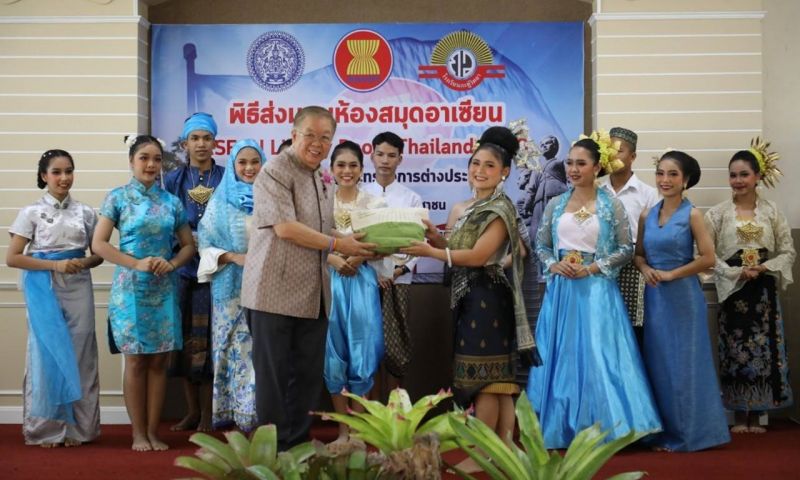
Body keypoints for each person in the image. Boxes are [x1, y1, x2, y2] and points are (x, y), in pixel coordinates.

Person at [402, 126, 539, 473]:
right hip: (476, 298)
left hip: (488, 299)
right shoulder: (478, 206)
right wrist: (437, 238)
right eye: (475, 163)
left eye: (489, 166)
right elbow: (462, 251)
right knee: (499, 384)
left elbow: (478, 256)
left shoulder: (498, 209)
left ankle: (481, 455)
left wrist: (431, 250)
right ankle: (504, 452)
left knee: (484, 382)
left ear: (505, 171)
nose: (479, 170)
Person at [241, 106, 376, 450]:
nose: (317, 143)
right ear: (293, 133)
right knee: (275, 380)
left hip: (314, 295)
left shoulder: (320, 176)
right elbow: (286, 229)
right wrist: (337, 243)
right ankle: (272, 454)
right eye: (310, 135)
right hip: (274, 293)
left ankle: (298, 447)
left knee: (305, 378)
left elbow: (318, 229)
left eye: (325, 137)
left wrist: (358, 243)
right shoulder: (274, 171)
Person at [527, 133, 662, 449]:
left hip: (597, 289)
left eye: (581, 163)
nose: (573, 169)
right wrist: (553, 264)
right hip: (562, 290)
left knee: (600, 357)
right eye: (570, 163)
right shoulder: (557, 204)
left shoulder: (610, 204)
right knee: (561, 358)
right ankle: (561, 426)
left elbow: (625, 249)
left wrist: (592, 268)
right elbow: (542, 245)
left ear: (597, 167)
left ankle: (608, 428)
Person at [92, 135, 195, 451]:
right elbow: (99, 244)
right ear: (132, 162)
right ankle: (138, 433)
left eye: (156, 159)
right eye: (144, 158)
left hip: (164, 288)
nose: (151, 165)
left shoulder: (171, 202)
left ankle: (153, 432)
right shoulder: (118, 198)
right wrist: (136, 263)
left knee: (159, 362)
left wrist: (172, 262)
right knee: (136, 361)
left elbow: (189, 246)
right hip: (130, 289)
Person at [6, 150, 103, 448]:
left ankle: (79, 430)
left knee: (81, 354)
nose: (64, 178)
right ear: (43, 176)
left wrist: (82, 264)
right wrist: (55, 265)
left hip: (79, 285)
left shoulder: (86, 212)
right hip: (43, 288)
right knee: (46, 355)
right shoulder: (31, 212)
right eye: (57, 172)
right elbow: (13, 258)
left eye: (69, 171)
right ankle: (46, 430)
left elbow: (98, 253)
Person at [635, 150, 730, 451]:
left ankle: (690, 434)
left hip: (684, 297)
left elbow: (708, 258)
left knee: (686, 365)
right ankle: (663, 430)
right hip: (655, 297)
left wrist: (672, 274)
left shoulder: (692, 214)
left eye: (673, 174)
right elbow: (638, 255)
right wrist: (648, 269)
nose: (665, 180)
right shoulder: (646, 214)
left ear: (686, 180)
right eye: (661, 173)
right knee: (659, 363)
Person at [705, 140, 794, 434]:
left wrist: (763, 267)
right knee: (734, 350)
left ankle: (759, 414)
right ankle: (739, 414)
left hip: (763, 291)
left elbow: (787, 251)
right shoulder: (717, 215)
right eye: (733, 175)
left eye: (744, 174)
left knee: (763, 351)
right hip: (733, 289)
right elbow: (707, 253)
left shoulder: (771, 212)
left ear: (757, 176)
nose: (738, 181)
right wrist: (733, 272)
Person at [196, 139, 265, 432]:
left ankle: (258, 421)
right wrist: (234, 257)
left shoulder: (272, 198)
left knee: (260, 356)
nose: (249, 168)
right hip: (228, 291)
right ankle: (236, 420)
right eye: (242, 162)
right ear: (234, 165)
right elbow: (204, 245)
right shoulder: (219, 203)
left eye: (255, 162)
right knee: (231, 352)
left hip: (266, 291)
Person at [164, 112, 224, 432]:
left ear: (215, 142)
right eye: (194, 138)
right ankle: (192, 411)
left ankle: (210, 414)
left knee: (212, 341)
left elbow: (235, 219)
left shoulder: (226, 178)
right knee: (187, 341)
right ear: (185, 143)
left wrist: (212, 242)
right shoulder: (173, 180)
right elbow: (166, 220)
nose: (201, 144)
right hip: (184, 270)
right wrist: (186, 239)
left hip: (218, 273)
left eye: (207, 138)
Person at [324, 141, 387, 442]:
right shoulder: (322, 202)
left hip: (362, 281)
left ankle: (360, 429)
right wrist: (333, 258)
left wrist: (358, 257)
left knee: (363, 351)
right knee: (333, 354)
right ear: (331, 169)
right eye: (341, 165)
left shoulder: (374, 204)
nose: (347, 171)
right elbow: (311, 239)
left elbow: (384, 243)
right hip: (328, 282)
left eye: (353, 165)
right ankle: (342, 429)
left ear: (362, 169)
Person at [362, 131, 422, 392]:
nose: (385, 160)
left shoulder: (411, 198)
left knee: (395, 348)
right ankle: (372, 416)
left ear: (400, 159)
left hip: (398, 282)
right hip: (364, 280)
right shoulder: (360, 195)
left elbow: (419, 244)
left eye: (391, 155)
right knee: (368, 347)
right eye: (380, 154)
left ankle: (396, 419)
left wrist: (397, 271)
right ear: (371, 155)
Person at [600, 127, 658, 331]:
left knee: (632, 328)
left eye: (619, 150)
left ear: (633, 156)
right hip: (601, 266)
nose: (613, 155)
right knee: (604, 326)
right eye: (609, 149)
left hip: (633, 266)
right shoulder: (596, 190)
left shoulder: (648, 194)